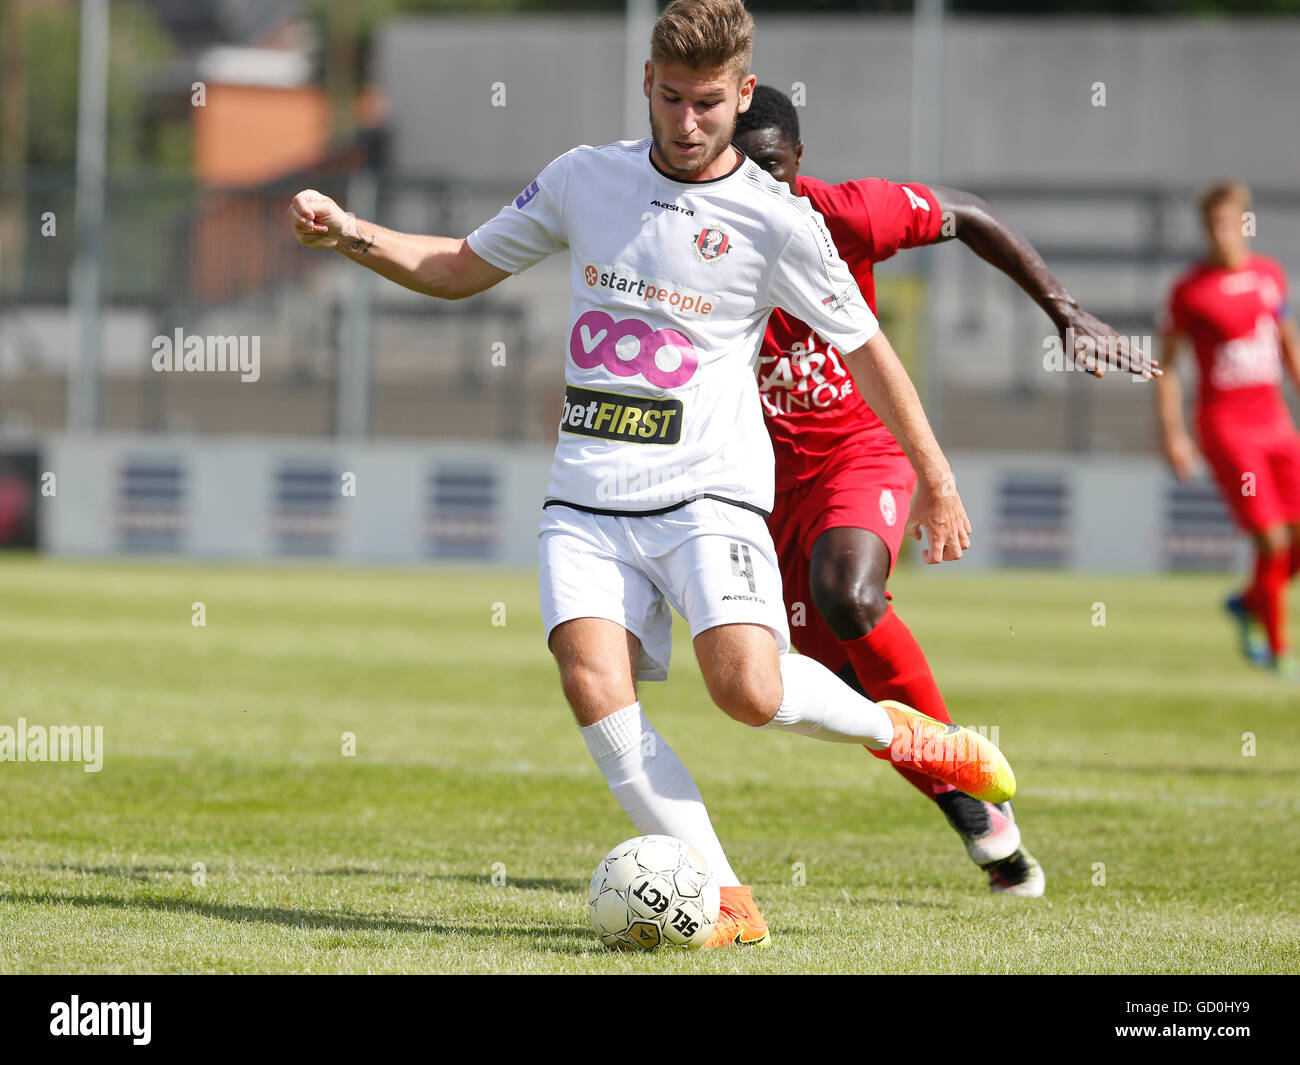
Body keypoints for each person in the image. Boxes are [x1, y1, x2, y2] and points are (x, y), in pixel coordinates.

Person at [289, 0, 1015, 948]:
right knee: (591, 678)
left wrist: (938, 478)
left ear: (741, 93)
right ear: (646, 83)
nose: (685, 121)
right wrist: (349, 231)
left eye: (708, 103)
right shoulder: (584, 179)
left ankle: (902, 732)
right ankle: (724, 898)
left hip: (707, 493)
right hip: (585, 496)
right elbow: (459, 266)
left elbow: (869, 349)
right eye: (670, 97)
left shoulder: (776, 220)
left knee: (747, 693)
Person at [734, 85, 1155, 896]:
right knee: (832, 684)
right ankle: (972, 809)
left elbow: (973, 214)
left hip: (860, 451)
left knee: (847, 594)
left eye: (775, 172)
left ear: (800, 164)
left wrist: (1064, 311)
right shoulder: (697, 236)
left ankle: (964, 784)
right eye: (742, 174)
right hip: (759, 488)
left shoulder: (849, 214)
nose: (762, 192)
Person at [1157, 180, 1300, 680]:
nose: (1223, 233)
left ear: (1246, 224)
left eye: (1231, 222)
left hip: (1276, 423)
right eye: (1213, 224)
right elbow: (1167, 366)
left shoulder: (1270, 276)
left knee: (1294, 537)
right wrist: (1173, 434)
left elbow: (1286, 345)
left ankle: (1247, 602)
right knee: (1271, 539)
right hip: (1227, 428)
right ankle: (1279, 651)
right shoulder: (1189, 290)